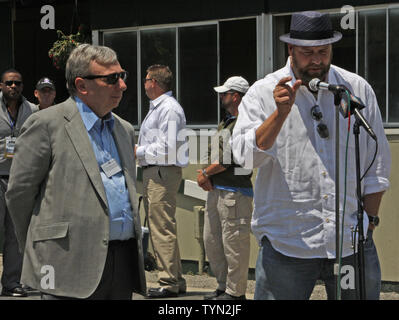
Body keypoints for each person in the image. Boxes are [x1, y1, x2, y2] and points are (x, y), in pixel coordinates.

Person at [231, 11, 391, 300]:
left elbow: (376, 166)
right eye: (307, 53)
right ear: (290, 49)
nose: (317, 60)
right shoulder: (263, 92)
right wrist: (278, 115)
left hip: (350, 244)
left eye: (323, 51)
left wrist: (369, 222)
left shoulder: (355, 89)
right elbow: (244, 158)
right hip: (287, 244)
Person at [5, 44, 146, 300]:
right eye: (112, 79)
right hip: (66, 263)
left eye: (122, 76)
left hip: (121, 263)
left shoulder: (124, 130)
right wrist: (42, 245)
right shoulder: (46, 124)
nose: (122, 85)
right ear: (82, 86)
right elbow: (19, 194)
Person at [197, 76, 253, 300]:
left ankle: (235, 292)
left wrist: (205, 173)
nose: (221, 97)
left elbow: (228, 159)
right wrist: (207, 174)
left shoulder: (243, 123)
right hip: (218, 189)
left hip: (235, 192)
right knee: (213, 241)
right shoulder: (227, 121)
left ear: (235, 96)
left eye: (225, 93)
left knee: (234, 245)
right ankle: (223, 287)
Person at [135, 64, 188, 298]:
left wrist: (138, 151)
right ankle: (175, 278)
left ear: (154, 82)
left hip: (161, 172)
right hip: (156, 171)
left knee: (161, 228)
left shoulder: (169, 109)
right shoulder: (161, 108)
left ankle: (168, 282)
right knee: (162, 226)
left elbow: (169, 148)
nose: (144, 83)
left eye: (146, 79)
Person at [0, 69, 37, 297]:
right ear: (1, 85)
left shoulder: (31, 110)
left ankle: (12, 282)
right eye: (9, 83)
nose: (13, 86)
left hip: (20, 180)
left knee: (15, 234)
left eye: (18, 83)